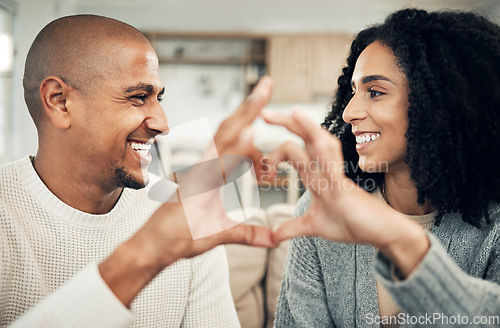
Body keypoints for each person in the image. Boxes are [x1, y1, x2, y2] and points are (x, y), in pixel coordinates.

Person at [0, 14, 276, 327]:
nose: (163, 123)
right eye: (138, 97)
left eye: (158, 98)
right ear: (60, 102)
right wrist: (142, 255)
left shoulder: (182, 213)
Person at [261, 8, 500, 327]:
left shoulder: (494, 228)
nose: (348, 112)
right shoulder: (319, 212)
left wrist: (402, 243)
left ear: (441, 103)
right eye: (353, 92)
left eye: (375, 92)